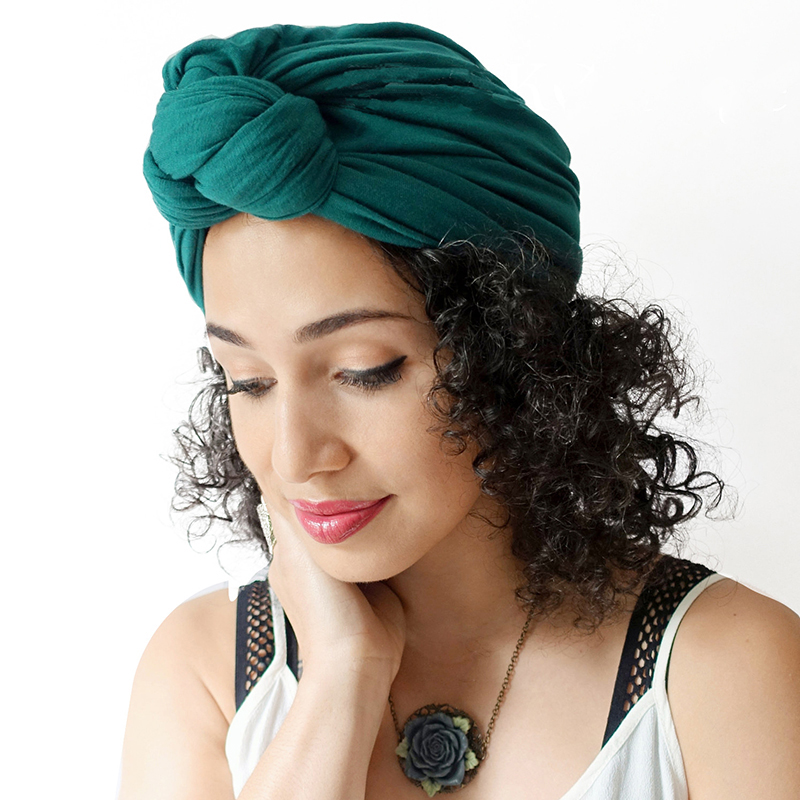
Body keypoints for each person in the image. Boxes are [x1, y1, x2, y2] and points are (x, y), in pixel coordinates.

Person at [120, 22, 800, 800]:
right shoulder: (206, 673)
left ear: (511, 347)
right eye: (248, 382)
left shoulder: (722, 671)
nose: (294, 456)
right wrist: (340, 678)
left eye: (364, 371)